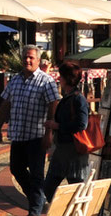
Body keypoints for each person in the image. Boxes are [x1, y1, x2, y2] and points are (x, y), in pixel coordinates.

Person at [0, 44, 59, 214]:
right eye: (25, 57)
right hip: (18, 134)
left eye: (31, 57)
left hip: (36, 136)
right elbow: (5, 104)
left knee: (37, 174)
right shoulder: (15, 80)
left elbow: (53, 104)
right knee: (16, 169)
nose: (27, 60)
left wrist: (49, 133)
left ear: (38, 60)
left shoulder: (46, 81)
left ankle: (34, 211)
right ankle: (37, 199)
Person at [40, 63, 93, 207]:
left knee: (75, 187)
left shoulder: (77, 99)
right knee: (50, 186)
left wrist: (57, 126)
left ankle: (71, 214)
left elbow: (82, 124)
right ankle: (66, 212)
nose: (58, 78)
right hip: (63, 150)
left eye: (61, 76)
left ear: (66, 78)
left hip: (73, 152)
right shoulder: (68, 97)